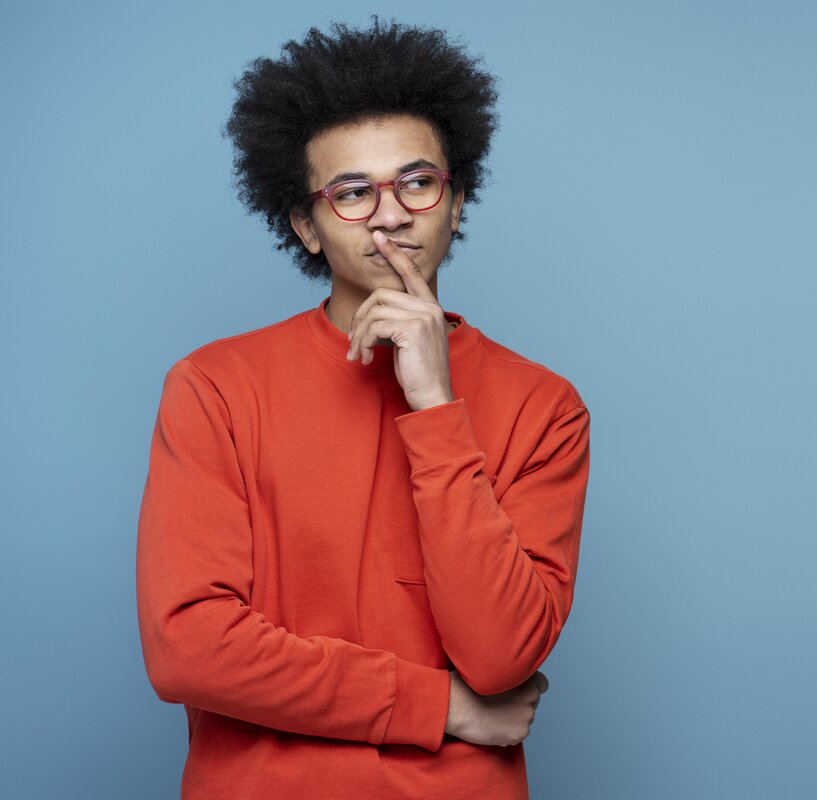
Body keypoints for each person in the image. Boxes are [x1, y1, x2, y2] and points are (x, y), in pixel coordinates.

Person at [136, 20, 590, 799]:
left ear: (455, 201)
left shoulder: (545, 407)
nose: (390, 215)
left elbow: (501, 656)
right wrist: (436, 705)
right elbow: (188, 648)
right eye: (352, 194)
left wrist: (434, 406)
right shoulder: (214, 387)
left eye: (417, 183)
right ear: (306, 227)